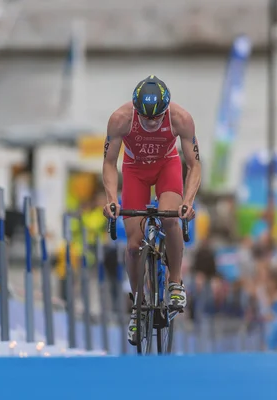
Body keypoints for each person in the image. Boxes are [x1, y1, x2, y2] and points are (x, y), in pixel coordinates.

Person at [102, 75, 202, 345]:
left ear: (166, 110)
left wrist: (188, 202)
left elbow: (194, 165)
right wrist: (112, 199)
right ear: (135, 111)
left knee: (170, 220)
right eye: (145, 119)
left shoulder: (181, 118)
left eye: (157, 118)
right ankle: (137, 306)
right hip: (135, 172)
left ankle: (176, 282)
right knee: (134, 245)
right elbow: (110, 163)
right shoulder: (120, 119)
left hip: (167, 167)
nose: (151, 123)